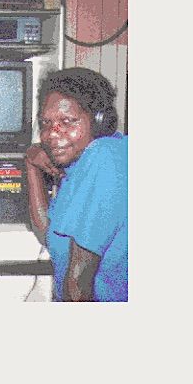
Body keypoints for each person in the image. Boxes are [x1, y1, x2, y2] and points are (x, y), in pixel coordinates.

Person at [25, 67, 127, 302]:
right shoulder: (82, 164)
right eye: (46, 123)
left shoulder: (105, 159)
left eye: (68, 121)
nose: (52, 134)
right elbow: (48, 235)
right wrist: (31, 164)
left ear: (101, 122)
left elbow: (77, 286)